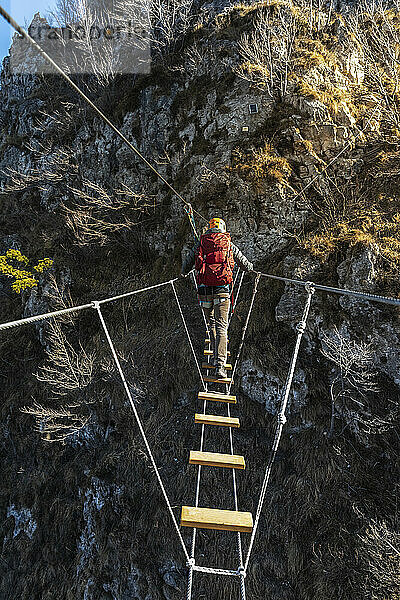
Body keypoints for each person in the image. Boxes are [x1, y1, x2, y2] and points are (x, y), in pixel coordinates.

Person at [181, 217, 253, 379]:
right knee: (222, 327)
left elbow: (188, 260)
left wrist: (184, 272)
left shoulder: (202, 242)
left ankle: (214, 357)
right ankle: (220, 366)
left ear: (209, 228)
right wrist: (250, 269)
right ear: (223, 228)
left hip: (204, 290)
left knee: (211, 324)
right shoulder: (227, 242)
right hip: (222, 291)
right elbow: (243, 262)